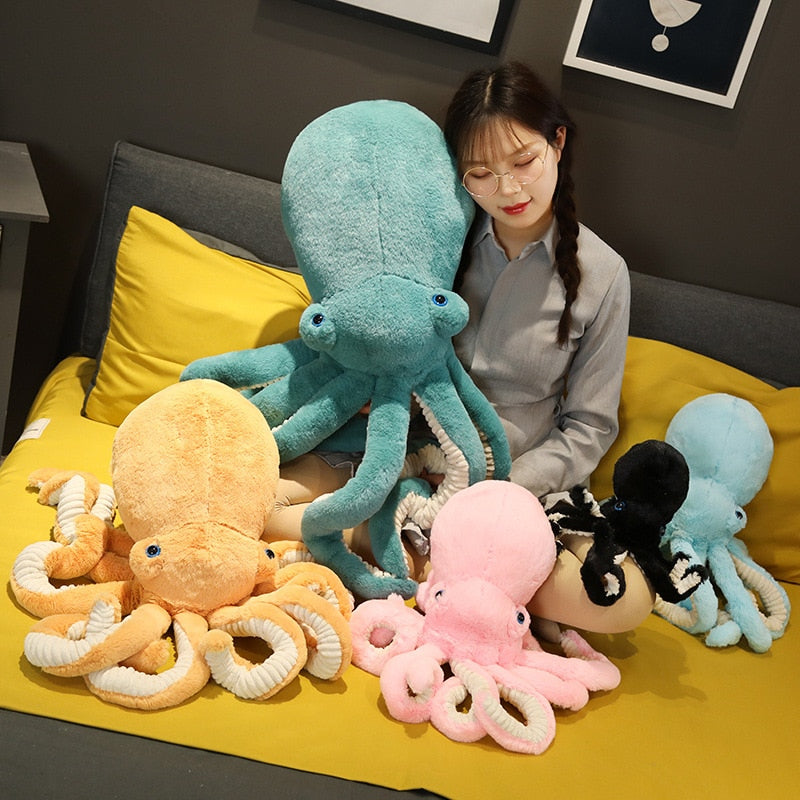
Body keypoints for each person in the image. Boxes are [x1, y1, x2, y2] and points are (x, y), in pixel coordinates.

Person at [442, 61, 653, 633]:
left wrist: (505, 490)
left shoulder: (604, 274)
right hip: (422, 464)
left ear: (557, 142)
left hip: (519, 492)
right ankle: (461, 578)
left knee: (625, 601)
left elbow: (590, 426)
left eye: (523, 161)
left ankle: (447, 573)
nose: (508, 189)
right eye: (480, 174)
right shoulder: (444, 240)